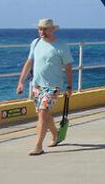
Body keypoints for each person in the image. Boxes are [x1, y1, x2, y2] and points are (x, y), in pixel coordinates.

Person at [16, 18, 73, 156]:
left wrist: (69, 86)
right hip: (37, 85)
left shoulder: (61, 45)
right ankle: (56, 134)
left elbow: (68, 66)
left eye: (45, 29)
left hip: (53, 86)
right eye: (40, 29)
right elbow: (29, 62)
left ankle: (38, 146)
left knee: (42, 113)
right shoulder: (35, 43)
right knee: (44, 114)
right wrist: (21, 82)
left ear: (52, 29)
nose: (42, 32)